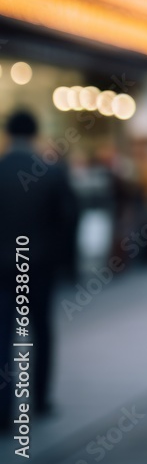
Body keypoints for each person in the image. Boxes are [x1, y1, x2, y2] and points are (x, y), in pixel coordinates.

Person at [0, 110, 79, 424]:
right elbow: (69, 219)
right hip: (39, 265)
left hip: (2, 266)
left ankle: (4, 407)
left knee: (3, 333)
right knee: (41, 331)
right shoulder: (51, 171)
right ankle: (41, 398)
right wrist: (66, 262)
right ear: (34, 133)